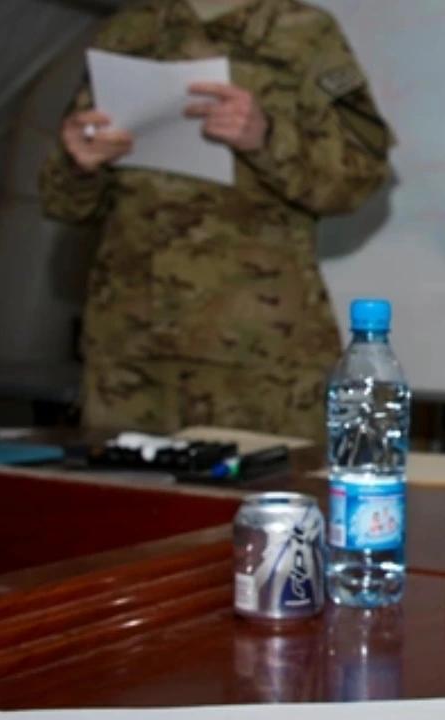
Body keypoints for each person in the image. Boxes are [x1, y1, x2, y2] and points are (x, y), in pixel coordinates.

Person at [40, 0, 392, 440]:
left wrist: (267, 138)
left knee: (269, 483)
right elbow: (62, 205)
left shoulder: (302, 32)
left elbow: (362, 175)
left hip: (258, 352)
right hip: (131, 350)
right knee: (125, 483)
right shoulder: (126, 33)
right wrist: (78, 163)